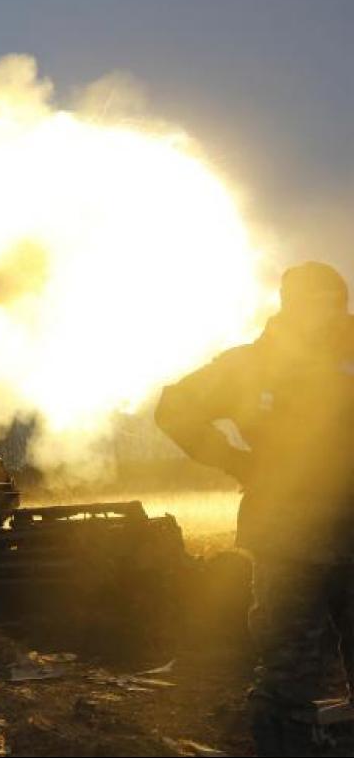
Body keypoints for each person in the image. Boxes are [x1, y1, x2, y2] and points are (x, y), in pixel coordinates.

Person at [155, 262, 354, 756]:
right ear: (287, 303)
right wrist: (237, 461)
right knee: (288, 676)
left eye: (332, 301)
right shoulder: (252, 366)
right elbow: (175, 407)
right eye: (310, 300)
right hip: (288, 542)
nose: (322, 312)